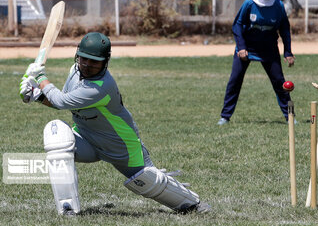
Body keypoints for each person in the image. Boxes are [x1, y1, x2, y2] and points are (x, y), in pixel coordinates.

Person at [19, 32, 210, 215]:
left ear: (105, 62)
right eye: (83, 58)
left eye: (94, 61)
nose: (86, 64)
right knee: (57, 135)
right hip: (87, 139)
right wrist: (37, 96)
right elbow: (69, 102)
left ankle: (193, 204)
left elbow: (61, 101)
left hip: (120, 147)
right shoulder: (75, 72)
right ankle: (68, 208)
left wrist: (40, 78)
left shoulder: (100, 87)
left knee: (149, 180)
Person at [217, 0, 295, 126]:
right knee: (235, 80)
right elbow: (237, 25)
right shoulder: (250, 2)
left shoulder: (278, 6)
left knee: (280, 82)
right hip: (247, 48)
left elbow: (285, 29)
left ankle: (290, 117)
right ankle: (225, 117)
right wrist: (241, 47)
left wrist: (288, 52)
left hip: (269, 49)